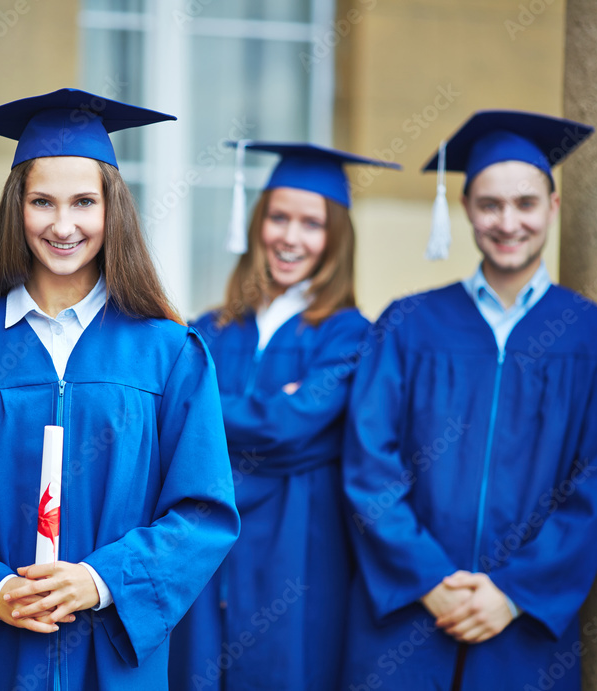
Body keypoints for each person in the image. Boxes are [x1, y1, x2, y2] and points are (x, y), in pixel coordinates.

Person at [0, 88, 240, 690]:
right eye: (42, 201)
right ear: (16, 208)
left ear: (111, 211)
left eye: (83, 203)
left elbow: (202, 512)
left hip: (113, 658)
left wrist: (100, 581)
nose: (63, 225)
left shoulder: (169, 355)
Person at [341, 110, 597, 690]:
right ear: (467, 209)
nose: (508, 221)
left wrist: (514, 593)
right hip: (411, 614)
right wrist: (430, 579)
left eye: (525, 203)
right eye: (490, 204)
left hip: (521, 626)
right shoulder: (409, 323)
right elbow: (370, 462)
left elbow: (594, 488)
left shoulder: (595, 338)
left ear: (553, 208)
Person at [169, 143, 396, 690]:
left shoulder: (350, 334)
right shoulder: (211, 328)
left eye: (311, 224)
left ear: (335, 238)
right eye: (279, 217)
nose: (290, 237)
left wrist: (207, 416)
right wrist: (279, 414)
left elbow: (289, 426)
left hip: (300, 543)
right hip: (206, 544)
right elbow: (173, 423)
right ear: (257, 223)